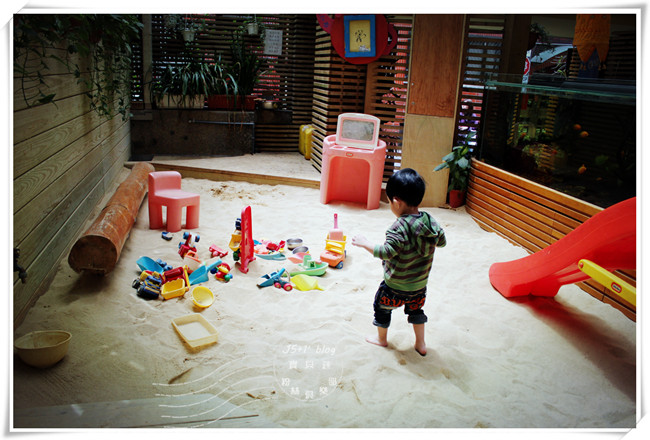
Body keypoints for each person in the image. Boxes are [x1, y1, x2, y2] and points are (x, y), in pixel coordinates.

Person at [351, 168, 446, 356]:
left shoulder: (398, 227)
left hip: (394, 286)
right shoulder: (429, 221)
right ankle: (420, 343)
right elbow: (442, 241)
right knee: (416, 311)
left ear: (396, 201)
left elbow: (386, 253)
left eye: (389, 202)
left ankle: (381, 339)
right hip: (419, 286)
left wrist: (365, 243)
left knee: (381, 308)